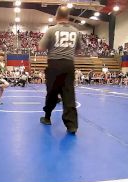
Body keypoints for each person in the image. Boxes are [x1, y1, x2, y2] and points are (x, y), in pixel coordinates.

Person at [38, 5, 82, 134]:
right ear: (68, 17)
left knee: (52, 93)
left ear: (56, 16)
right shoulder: (75, 31)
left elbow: (41, 48)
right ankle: (72, 126)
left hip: (54, 64)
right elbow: (78, 50)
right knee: (69, 95)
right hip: (69, 64)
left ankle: (47, 118)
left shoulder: (51, 30)